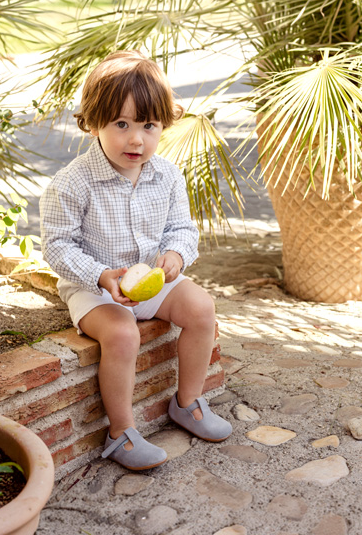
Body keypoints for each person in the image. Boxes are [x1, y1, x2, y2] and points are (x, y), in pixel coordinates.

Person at [40, 50, 232, 470]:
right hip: (95, 288)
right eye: (121, 124)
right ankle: (121, 433)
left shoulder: (166, 174)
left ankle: (187, 403)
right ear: (93, 123)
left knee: (202, 309)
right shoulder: (72, 183)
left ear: (163, 124)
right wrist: (101, 274)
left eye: (149, 126)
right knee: (123, 335)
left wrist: (176, 256)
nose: (136, 140)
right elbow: (57, 246)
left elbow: (181, 228)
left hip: (152, 279)